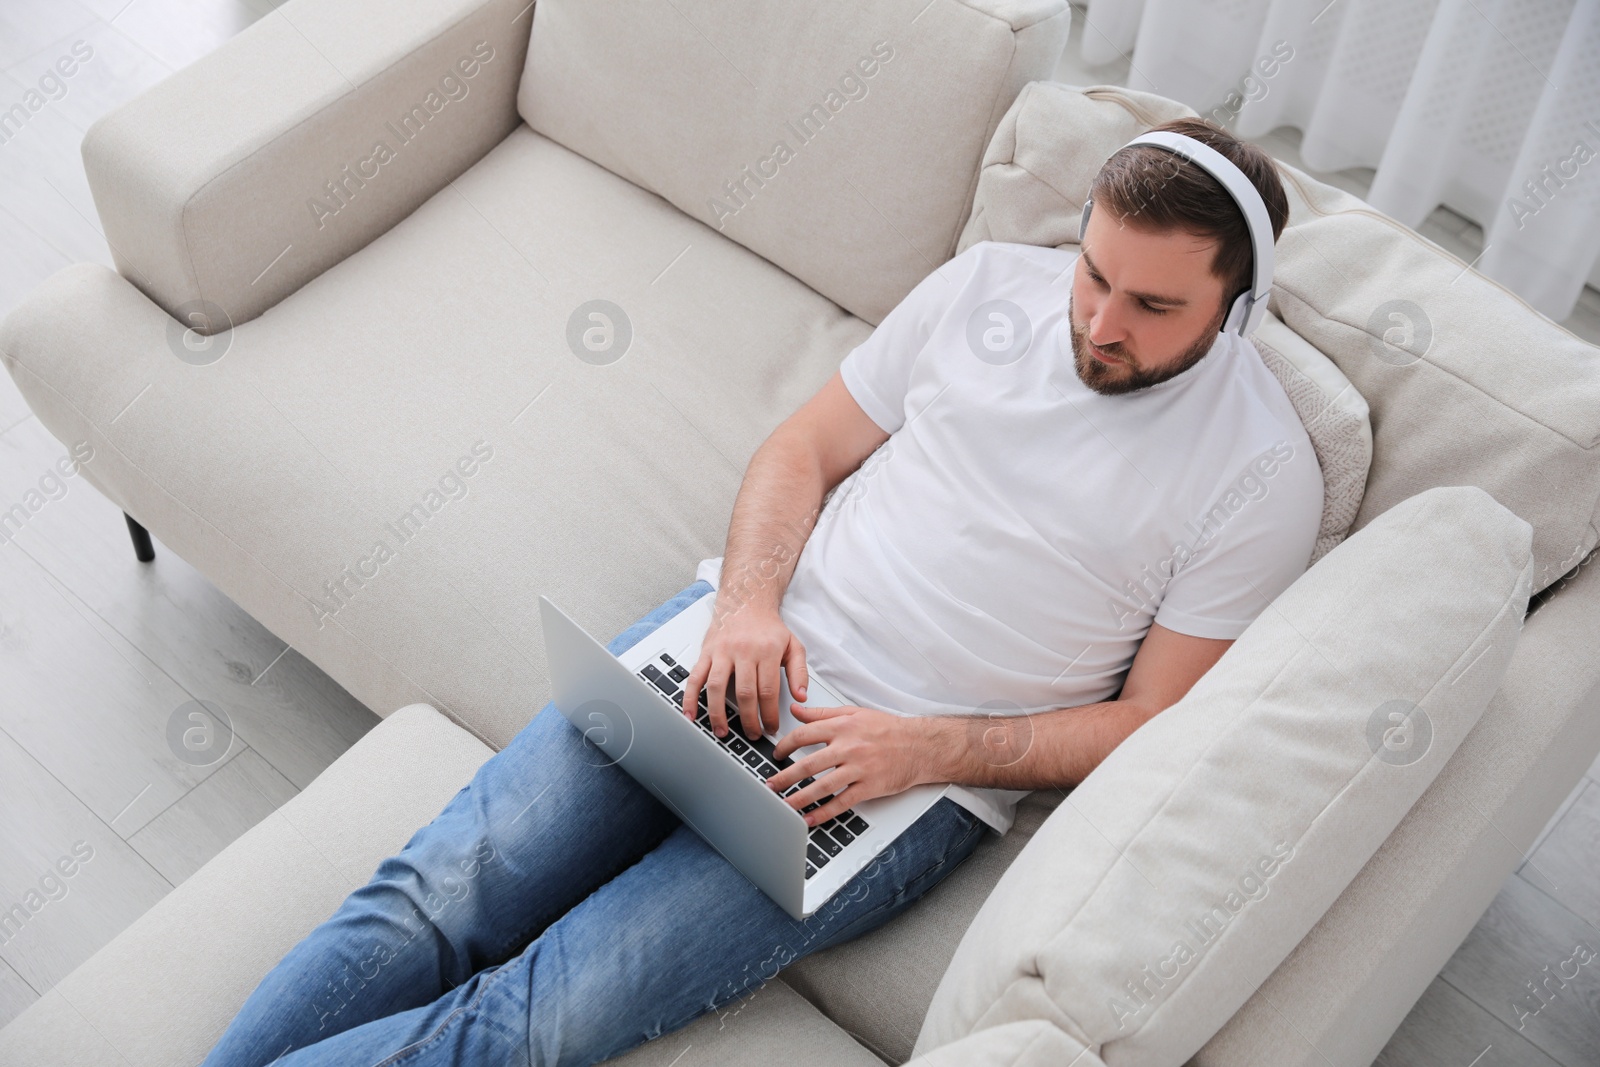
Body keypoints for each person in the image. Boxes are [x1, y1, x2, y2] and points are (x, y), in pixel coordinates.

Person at [202, 116, 1322, 1067]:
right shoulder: (990, 288)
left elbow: (1148, 720)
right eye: (1092, 271)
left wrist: (927, 746)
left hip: (896, 782)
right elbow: (804, 449)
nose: (1097, 322)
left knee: (538, 1016)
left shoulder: (1258, 474)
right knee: (434, 895)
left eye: (1153, 306)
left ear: (1234, 311)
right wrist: (747, 605)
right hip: (729, 649)